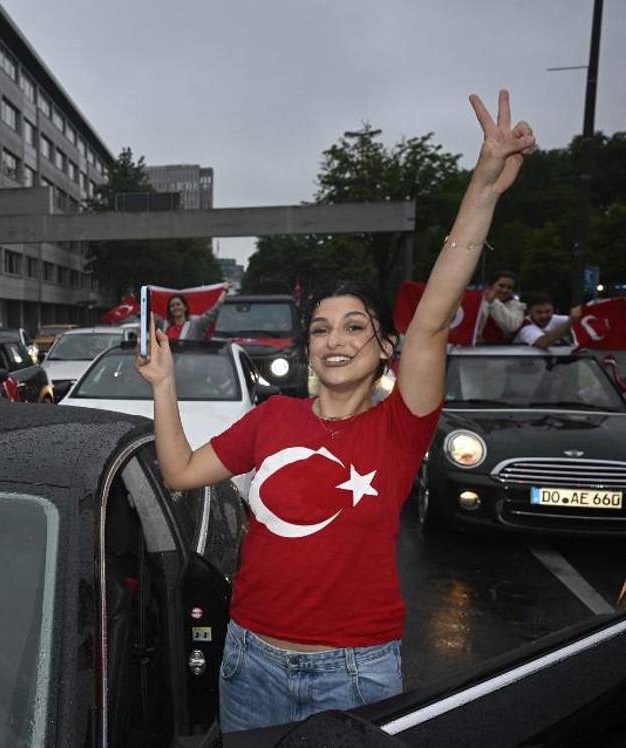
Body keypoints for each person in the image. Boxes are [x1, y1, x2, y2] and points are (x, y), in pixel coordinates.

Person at [136, 90, 536, 731]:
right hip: (249, 662)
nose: (335, 340)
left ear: (385, 347)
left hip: (354, 674)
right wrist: (163, 384)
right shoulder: (272, 418)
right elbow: (180, 471)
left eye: (355, 327)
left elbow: (433, 319)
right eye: (321, 329)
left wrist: (483, 186)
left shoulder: (399, 425)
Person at [474, 270, 525, 343]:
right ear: (491, 286)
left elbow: (512, 326)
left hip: (503, 348)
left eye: (509, 288)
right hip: (475, 346)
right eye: (501, 286)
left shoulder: (518, 306)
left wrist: (493, 302)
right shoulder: (477, 301)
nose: (505, 290)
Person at [514, 294, 581, 348]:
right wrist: (570, 322)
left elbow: (580, 321)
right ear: (530, 312)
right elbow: (543, 343)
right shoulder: (524, 325)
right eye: (539, 312)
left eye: (548, 311)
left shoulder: (555, 319)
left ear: (553, 310)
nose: (544, 316)